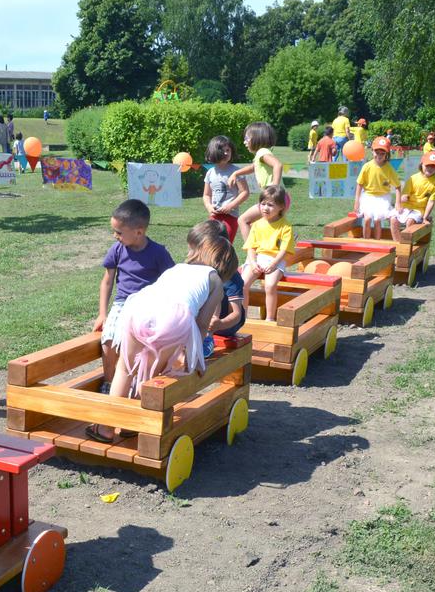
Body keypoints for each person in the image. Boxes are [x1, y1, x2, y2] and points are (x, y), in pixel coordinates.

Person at [86, 221, 231, 443]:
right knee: (153, 372)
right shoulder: (216, 281)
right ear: (225, 269)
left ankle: (105, 427)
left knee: (126, 368)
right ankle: (134, 424)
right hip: (173, 318)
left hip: (138, 307)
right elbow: (202, 324)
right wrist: (195, 356)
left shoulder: (177, 268)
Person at [93, 199, 177, 389]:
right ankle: (109, 383)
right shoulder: (117, 249)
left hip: (148, 305)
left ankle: (136, 384)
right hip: (123, 303)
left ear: (139, 232)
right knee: (108, 340)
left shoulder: (159, 253)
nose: (115, 236)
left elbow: (170, 282)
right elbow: (107, 281)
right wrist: (102, 314)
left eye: (119, 232)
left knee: (138, 345)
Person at [241, 185, 296, 323]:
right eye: (263, 204)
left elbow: (284, 250)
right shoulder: (257, 224)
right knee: (242, 284)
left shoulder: (286, 226)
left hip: (275, 259)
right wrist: (253, 263)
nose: (265, 208)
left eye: (270, 205)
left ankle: (269, 318)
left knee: (270, 286)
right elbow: (251, 247)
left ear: (281, 207)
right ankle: (242, 317)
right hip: (257, 258)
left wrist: (273, 264)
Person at [229, 121, 284, 245]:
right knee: (257, 225)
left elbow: (278, 165)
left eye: (247, 138)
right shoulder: (260, 155)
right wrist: (236, 173)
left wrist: (274, 188)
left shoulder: (262, 152)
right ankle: (281, 239)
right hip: (279, 198)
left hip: (274, 198)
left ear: (257, 138)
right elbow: (253, 167)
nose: (244, 142)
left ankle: (252, 252)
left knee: (243, 220)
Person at [200, 221, 246, 356]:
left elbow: (236, 315)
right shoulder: (199, 268)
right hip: (204, 318)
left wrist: (219, 323)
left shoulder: (231, 275)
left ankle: (207, 339)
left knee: (215, 290)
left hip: (226, 323)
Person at [354, 136, 402, 241]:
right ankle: (366, 243)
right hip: (368, 196)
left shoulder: (389, 168)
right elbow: (359, 184)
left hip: (383, 197)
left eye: (382, 153)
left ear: (386, 154)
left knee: (377, 220)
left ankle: (377, 242)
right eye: (377, 152)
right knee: (367, 219)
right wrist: (357, 201)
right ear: (372, 151)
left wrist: (398, 203)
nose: (379, 155)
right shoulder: (367, 166)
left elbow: (398, 186)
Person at [202, 135, 249, 242]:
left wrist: (230, 206)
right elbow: (206, 195)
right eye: (223, 150)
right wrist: (209, 207)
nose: (226, 153)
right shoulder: (210, 173)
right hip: (214, 216)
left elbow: (245, 192)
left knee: (225, 245)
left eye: (228, 150)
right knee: (212, 244)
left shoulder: (236, 172)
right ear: (214, 151)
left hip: (231, 217)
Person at [392, 150, 435, 242]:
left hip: (419, 210)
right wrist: (403, 198)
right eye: (427, 165)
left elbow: (431, 202)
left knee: (410, 221)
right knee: (393, 220)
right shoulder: (413, 178)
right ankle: (397, 244)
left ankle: (406, 245)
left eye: (433, 166)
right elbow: (404, 195)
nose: (430, 168)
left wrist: (425, 217)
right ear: (421, 164)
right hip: (406, 207)